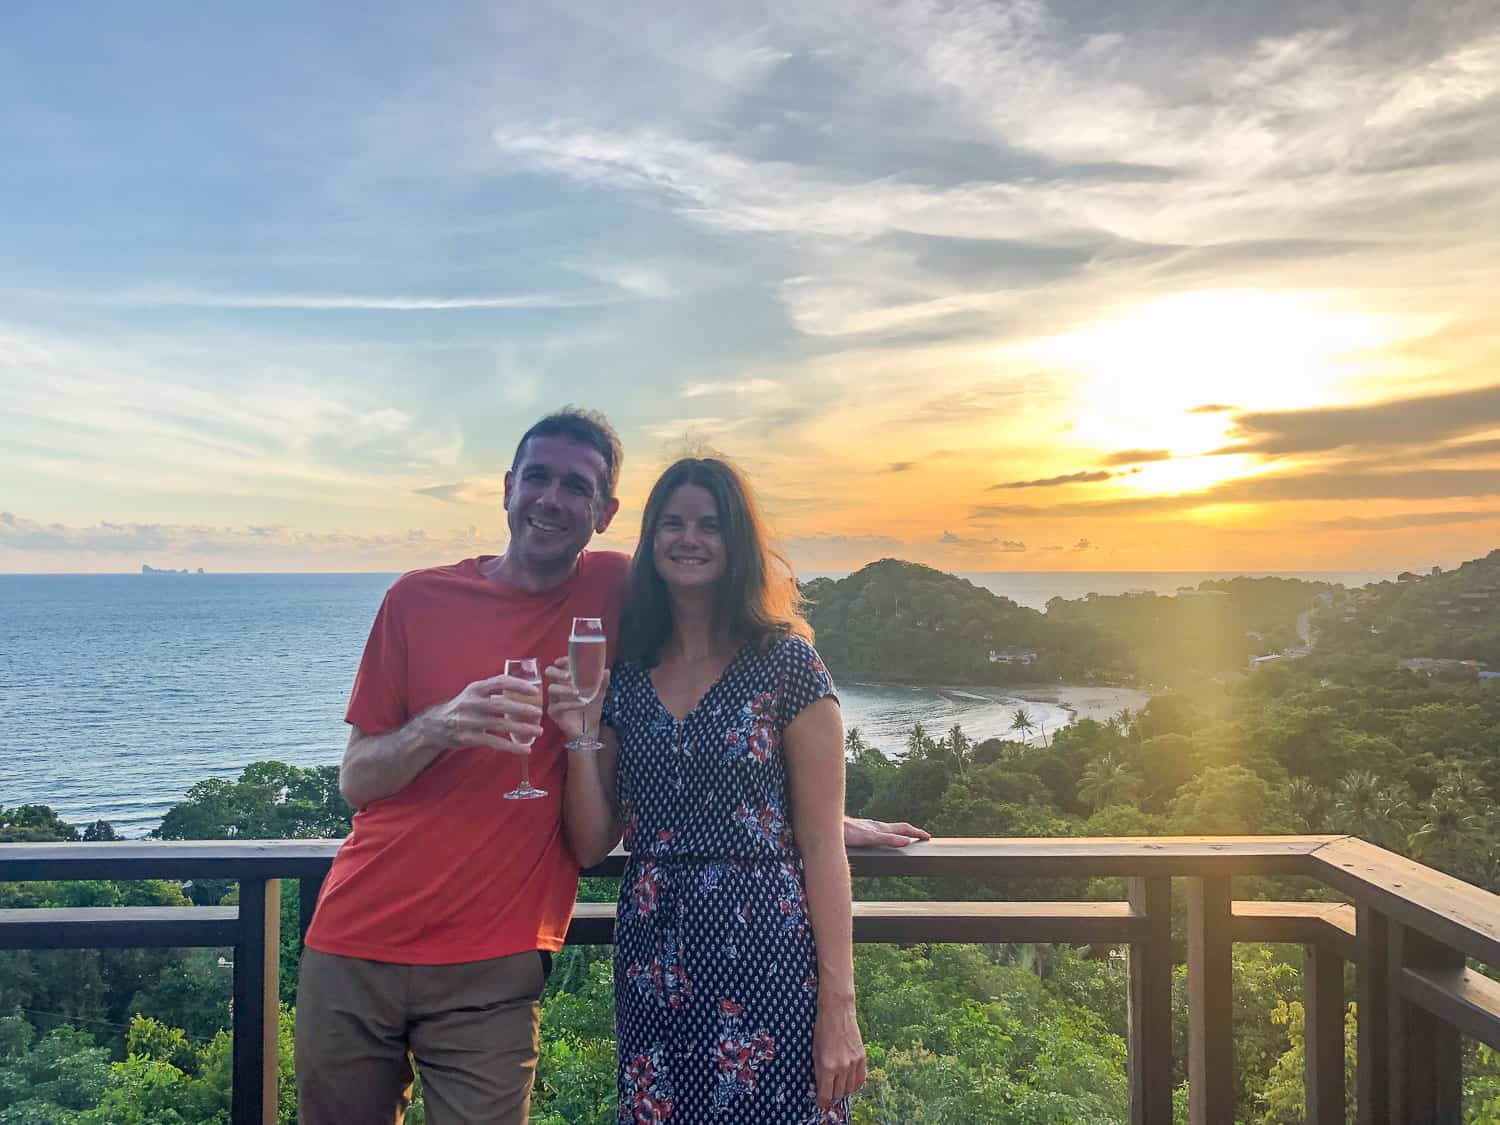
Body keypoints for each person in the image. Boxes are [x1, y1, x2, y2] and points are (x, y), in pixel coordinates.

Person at [297, 409, 927, 1125]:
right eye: (537, 477)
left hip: (533, 966)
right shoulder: (427, 602)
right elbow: (359, 779)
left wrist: (815, 820)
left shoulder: (676, 619)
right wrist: (443, 725)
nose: (552, 499)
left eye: (577, 486)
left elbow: (748, 770)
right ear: (507, 486)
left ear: (605, 512)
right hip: (371, 941)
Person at [548, 456, 866, 1124]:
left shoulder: (788, 663)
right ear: (650, 538)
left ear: (737, 543)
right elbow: (589, 842)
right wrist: (579, 734)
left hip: (767, 949)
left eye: (709, 525)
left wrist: (839, 1007)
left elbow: (821, 840)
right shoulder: (629, 670)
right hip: (652, 954)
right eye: (672, 522)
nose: (688, 538)